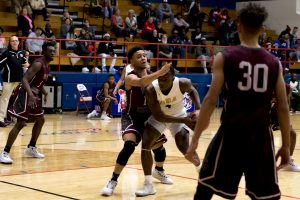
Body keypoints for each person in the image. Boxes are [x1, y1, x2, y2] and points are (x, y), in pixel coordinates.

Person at [185, 3, 291, 200]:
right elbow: (283, 107)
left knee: (205, 187)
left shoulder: (224, 57)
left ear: (238, 25)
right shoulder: (274, 62)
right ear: (262, 29)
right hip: (261, 136)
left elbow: (209, 101)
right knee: (266, 196)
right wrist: (285, 146)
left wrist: (196, 138)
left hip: (231, 133)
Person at [101, 46, 171, 196]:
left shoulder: (154, 77)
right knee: (129, 146)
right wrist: (161, 72)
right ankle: (113, 180)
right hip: (132, 116)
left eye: (144, 55)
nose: (143, 58)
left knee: (158, 147)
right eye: (139, 56)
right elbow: (141, 82)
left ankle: (159, 170)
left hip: (149, 118)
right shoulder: (130, 77)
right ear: (131, 61)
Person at [135, 67, 201, 197]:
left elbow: (192, 90)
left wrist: (198, 108)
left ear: (173, 78)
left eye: (165, 78)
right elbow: (159, 116)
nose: (162, 81)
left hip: (180, 114)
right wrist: (184, 120)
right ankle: (148, 185)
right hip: (160, 118)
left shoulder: (183, 83)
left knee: (185, 148)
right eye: (160, 78)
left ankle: (203, 175)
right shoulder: (151, 89)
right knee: (146, 144)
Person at [0, 41, 56, 164]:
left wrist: (45, 92)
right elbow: (24, 79)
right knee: (20, 123)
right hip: (25, 94)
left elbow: (38, 82)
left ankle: (31, 147)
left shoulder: (47, 65)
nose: (53, 52)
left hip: (33, 95)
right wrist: (30, 95)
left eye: (54, 50)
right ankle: (5, 152)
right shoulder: (38, 63)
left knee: (41, 120)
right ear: (43, 52)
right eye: (50, 51)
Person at [0, 36, 29, 127]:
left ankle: (19, 119)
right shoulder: (6, 53)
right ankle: (0, 119)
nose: (15, 42)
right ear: (10, 43)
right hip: (8, 80)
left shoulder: (22, 53)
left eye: (16, 41)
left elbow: (26, 64)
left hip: (19, 80)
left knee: (19, 100)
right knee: (5, 99)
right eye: (13, 41)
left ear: (19, 42)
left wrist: (28, 65)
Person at [270, 83, 300, 172]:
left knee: (292, 133)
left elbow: (285, 104)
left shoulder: (286, 87)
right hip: (259, 114)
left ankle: (288, 162)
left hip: (275, 114)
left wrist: (286, 120)